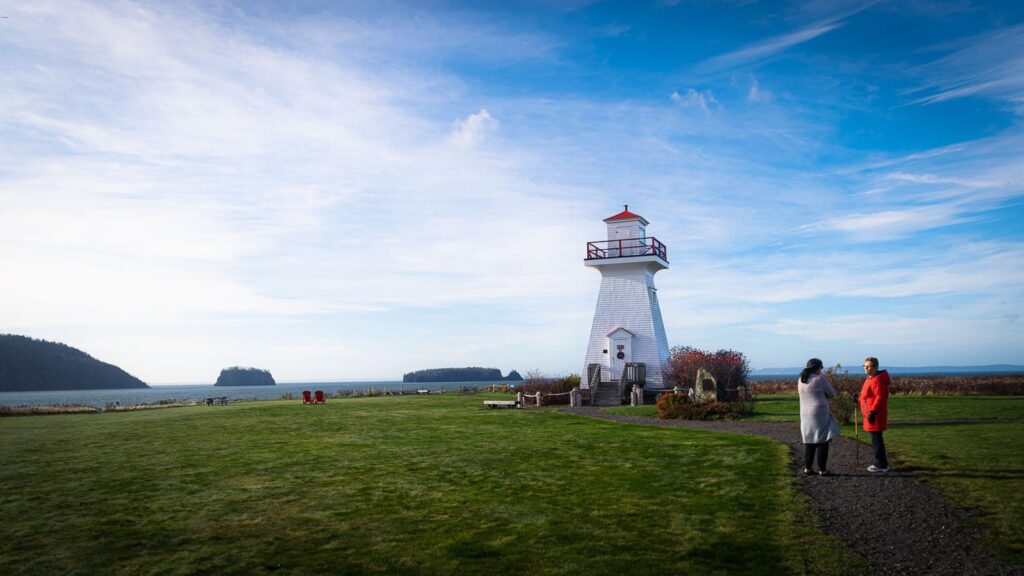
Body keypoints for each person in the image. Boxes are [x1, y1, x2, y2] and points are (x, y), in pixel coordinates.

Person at [798, 358, 840, 476]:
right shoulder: (820, 379)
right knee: (822, 440)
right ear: (818, 368)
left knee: (809, 440)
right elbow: (832, 394)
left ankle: (808, 468)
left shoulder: (801, 379)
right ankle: (822, 469)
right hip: (819, 413)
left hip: (805, 413)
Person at [859, 356, 891, 472]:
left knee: (876, 440)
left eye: (869, 366)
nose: (866, 368)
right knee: (875, 439)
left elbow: (880, 398)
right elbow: (866, 396)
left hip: (875, 414)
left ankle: (882, 464)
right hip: (870, 413)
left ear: (876, 367)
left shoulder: (877, 380)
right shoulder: (870, 378)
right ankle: (882, 463)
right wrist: (858, 399)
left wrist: (873, 412)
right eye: (865, 366)